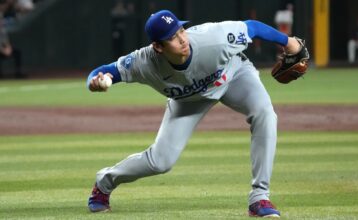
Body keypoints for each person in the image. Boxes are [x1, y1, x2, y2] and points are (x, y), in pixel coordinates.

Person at [86, 10, 302, 218]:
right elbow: (104, 71)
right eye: (172, 37)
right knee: (161, 162)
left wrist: (288, 41)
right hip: (187, 101)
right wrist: (95, 82)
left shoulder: (214, 38)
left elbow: (252, 27)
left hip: (232, 76)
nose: (182, 39)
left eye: (181, 30)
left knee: (264, 113)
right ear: (158, 47)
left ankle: (259, 198)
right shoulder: (144, 62)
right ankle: (104, 182)